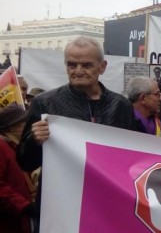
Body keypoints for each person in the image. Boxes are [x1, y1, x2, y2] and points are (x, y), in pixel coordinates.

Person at [17, 36, 136, 172]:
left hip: (103, 189)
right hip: (60, 190)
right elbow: (24, 164)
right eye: (72, 65)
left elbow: (132, 158)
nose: (78, 71)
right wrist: (34, 141)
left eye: (86, 65)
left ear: (102, 67)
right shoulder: (44, 103)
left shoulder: (121, 105)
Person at [0, 105, 34, 233]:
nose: (27, 128)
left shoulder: (13, 148)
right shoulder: (2, 148)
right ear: (11, 127)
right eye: (23, 124)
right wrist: (24, 205)